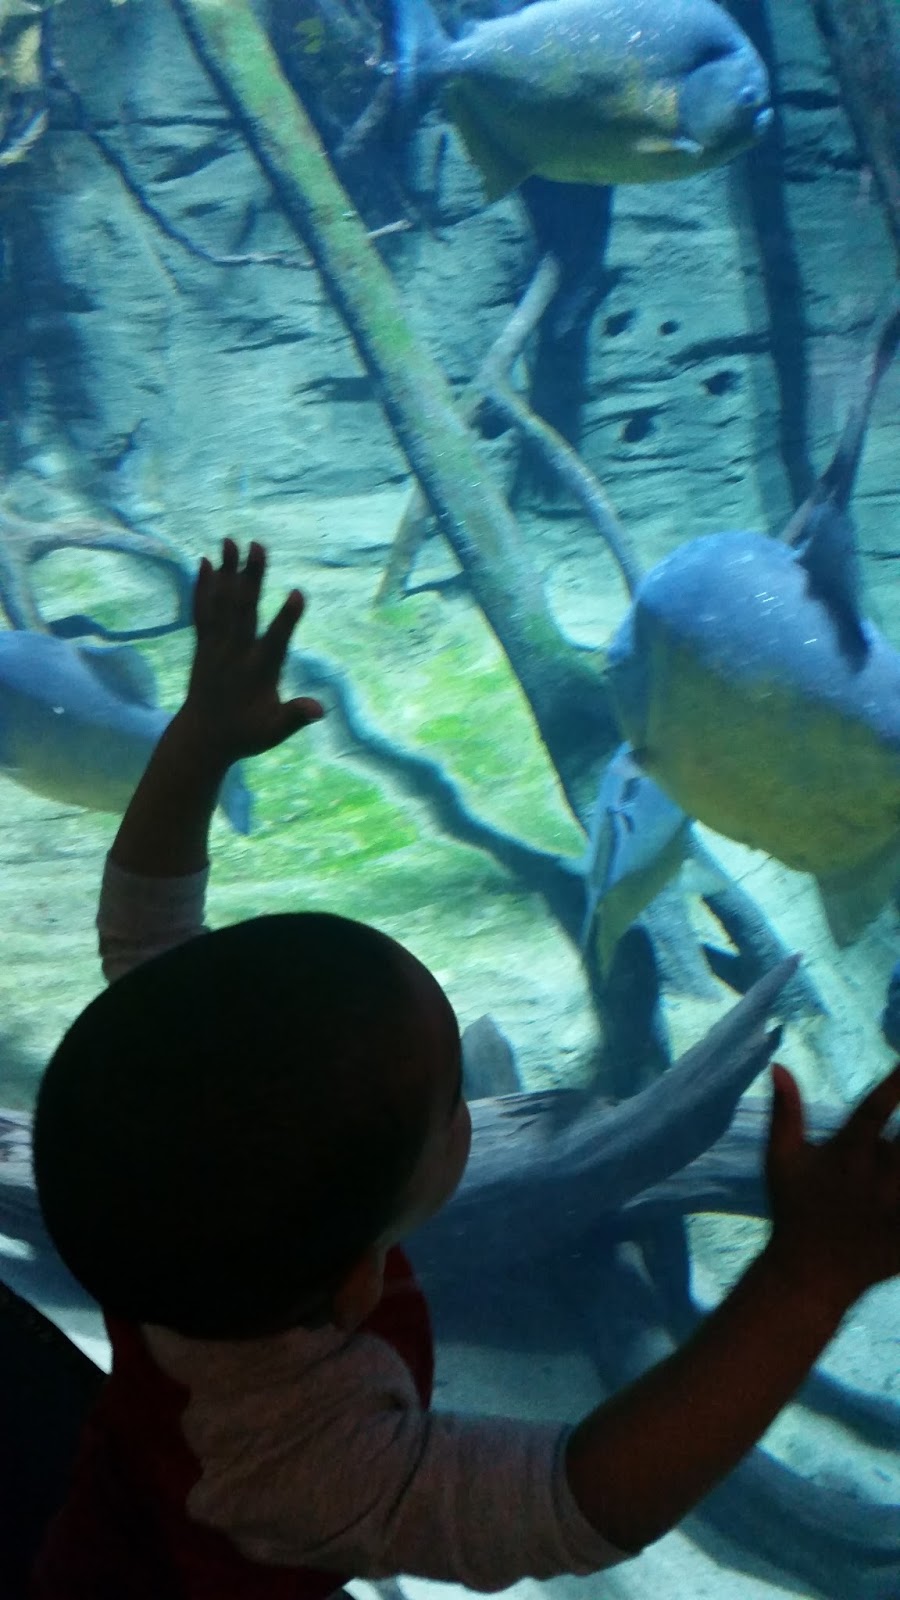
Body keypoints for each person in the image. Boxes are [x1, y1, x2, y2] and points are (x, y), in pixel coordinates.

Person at [30, 539, 900, 1597]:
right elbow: (577, 1506)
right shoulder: (307, 1456)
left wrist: (201, 734)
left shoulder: (165, 1198)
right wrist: (805, 1280)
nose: (475, 1109)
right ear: (359, 1277)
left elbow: (146, 934)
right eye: (455, 1105)